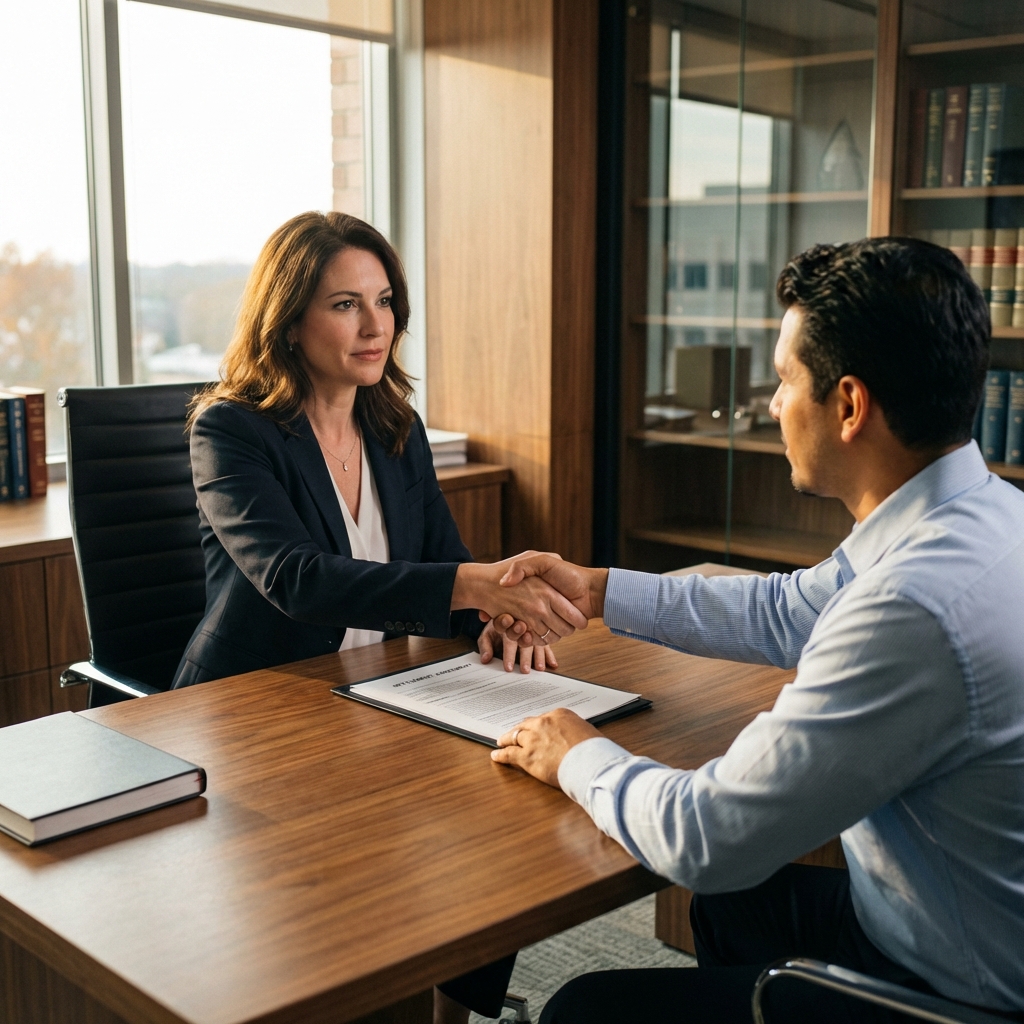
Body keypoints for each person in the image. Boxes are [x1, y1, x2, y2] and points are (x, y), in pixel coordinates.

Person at [489, 238, 1024, 1022]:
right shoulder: (982, 513)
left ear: (848, 406)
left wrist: (578, 753)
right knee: (739, 903)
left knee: (585, 1008)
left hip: (958, 993)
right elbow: (791, 610)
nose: (773, 405)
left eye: (783, 381)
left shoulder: (911, 607)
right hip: (977, 919)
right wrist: (599, 589)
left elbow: (706, 835)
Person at [174, 210, 582, 1020]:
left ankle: (451, 1008)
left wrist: (491, 622)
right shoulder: (231, 430)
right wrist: (473, 587)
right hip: (266, 708)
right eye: (345, 305)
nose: (375, 326)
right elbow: (296, 579)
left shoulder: (395, 426)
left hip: (383, 695)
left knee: (508, 810)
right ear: (288, 319)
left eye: (385, 301)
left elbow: (439, 560)